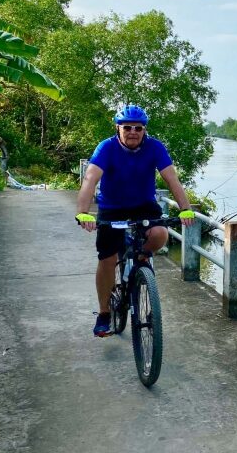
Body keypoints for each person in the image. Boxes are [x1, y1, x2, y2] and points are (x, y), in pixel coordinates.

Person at [75, 104, 195, 337]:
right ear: (118, 128)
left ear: (144, 130)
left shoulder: (154, 147)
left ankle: (140, 258)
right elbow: (90, 180)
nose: (133, 132)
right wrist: (84, 212)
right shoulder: (106, 148)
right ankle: (104, 313)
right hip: (112, 207)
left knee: (160, 234)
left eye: (138, 128)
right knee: (107, 258)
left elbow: (172, 179)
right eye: (127, 127)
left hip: (143, 206)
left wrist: (186, 209)